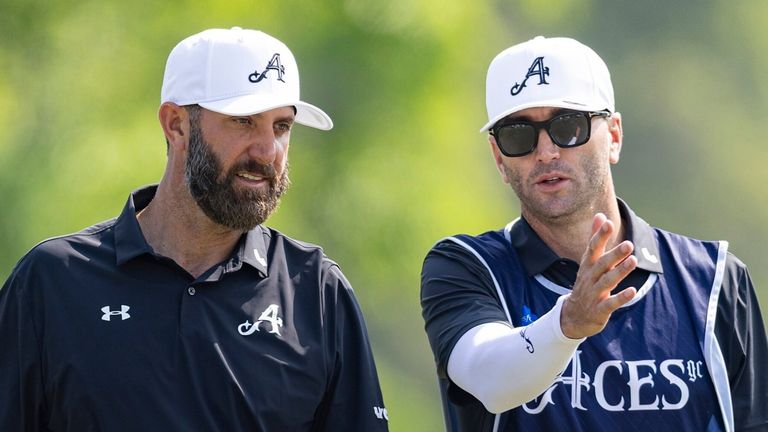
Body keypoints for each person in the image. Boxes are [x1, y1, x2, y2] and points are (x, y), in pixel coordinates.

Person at [0, 27, 388, 431]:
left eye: (281, 127)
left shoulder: (317, 292)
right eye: (243, 121)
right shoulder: (50, 282)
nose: (267, 151)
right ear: (176, 125)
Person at [420, 36, 768, 432]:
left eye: (568, 126)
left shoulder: (715, 279)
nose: (547, 151)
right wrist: (566, 325)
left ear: (614, 136)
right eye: (518, 134)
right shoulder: (466, 266)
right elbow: (487, 378)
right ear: (499, 158)